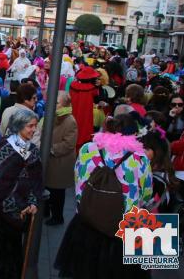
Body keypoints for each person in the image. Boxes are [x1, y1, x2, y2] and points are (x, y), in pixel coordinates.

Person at [55, 113, 152, 278]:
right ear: (133, 133)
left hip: (87, 222)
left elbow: (78, 179)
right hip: (122, 227)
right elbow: (147, 194)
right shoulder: (139, 158)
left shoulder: (87, 149)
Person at [0, 109, 43, 278]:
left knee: (12, 257)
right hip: (0, 214)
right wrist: (16, 205)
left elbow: (36, 181)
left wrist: (33, 202)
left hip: (19, 215)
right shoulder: (6, 146)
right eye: (30, 126)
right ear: (19, 126)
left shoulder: (33, 151)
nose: (34, 130)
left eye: (35, 126)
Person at [44, 92, 77, 226]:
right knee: (47, 187)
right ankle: (45, 211)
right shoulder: (53, 115)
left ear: (65, 104)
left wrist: (50, 148)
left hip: (60, 163)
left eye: (57, 102)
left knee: (57, 192)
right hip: (51, 161)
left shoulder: (70, 121)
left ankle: (57, 217)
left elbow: (69, 144)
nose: (53, 104)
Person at [69, 66, 100, 152]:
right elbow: (97, 100)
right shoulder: (93, 89)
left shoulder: (72, 86)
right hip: (86, 117)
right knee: (84, 137)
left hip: (73, 115)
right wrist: (98, 86)